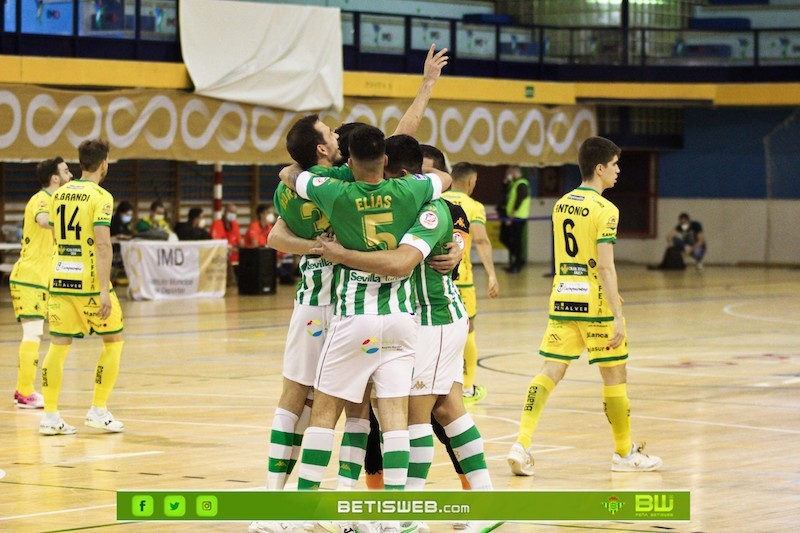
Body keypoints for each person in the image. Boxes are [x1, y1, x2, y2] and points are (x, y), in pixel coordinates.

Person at [281, 125, 450, 499]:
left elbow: (291, 175)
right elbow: (444, 178)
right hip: (402, 318)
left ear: (351, 160)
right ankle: (396, 513)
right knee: (393, 421)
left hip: (356, 315)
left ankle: (304, 509)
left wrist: (340, 253)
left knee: (324, 412)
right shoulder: (411, 190)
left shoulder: (336, 192)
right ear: (386, 161)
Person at [507, 136, 662, 475]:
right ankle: (624, 454)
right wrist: (617, 315)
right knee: (615, 375)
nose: (619, 171)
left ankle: (521, 444)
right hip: (595, 304)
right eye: (616, 165)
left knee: (549, 371)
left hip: (563, 297)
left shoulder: (561, 203)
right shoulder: (606, 210)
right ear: (599, 168)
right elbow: (605, 266)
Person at [39, 138, 125, 436]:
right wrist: (104, 289)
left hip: (60, 279)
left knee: (58, 346)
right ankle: (98, 410)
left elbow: (54, 235)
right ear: (104, 164)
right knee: (113, 340)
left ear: (80, 163)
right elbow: (102, 245)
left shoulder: (59, 194)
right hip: (88, 282)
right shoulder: (101, 197)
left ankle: (50, 417)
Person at [9, 156, 73, 409]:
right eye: (66, 171)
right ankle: (25, 392)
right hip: (29, 278)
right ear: (55, 178)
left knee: (38, 334)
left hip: (42, 280)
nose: (71, 176)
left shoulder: (57, 201)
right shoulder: (42, 200)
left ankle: (22, 391)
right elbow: (44, 221)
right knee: (33, 334)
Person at [441, 160, 499, 404]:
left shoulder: (438, 198)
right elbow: (482, 241)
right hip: (462, 279)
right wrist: (492, 274)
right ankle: (467, 387)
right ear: (471, 182)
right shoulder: (474, 206)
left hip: (437, 275)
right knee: (468, 331)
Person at [500, 165, 529, 273]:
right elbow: (505, 194)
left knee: (516, 241)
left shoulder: (522, 184)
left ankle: (518, 263)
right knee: (508, 239)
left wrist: (511, 216)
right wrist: (506, 182)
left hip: (518, 217)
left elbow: (518, 201)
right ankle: (516, 260)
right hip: (513, 216)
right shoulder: (514, 184)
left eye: (510, 173)